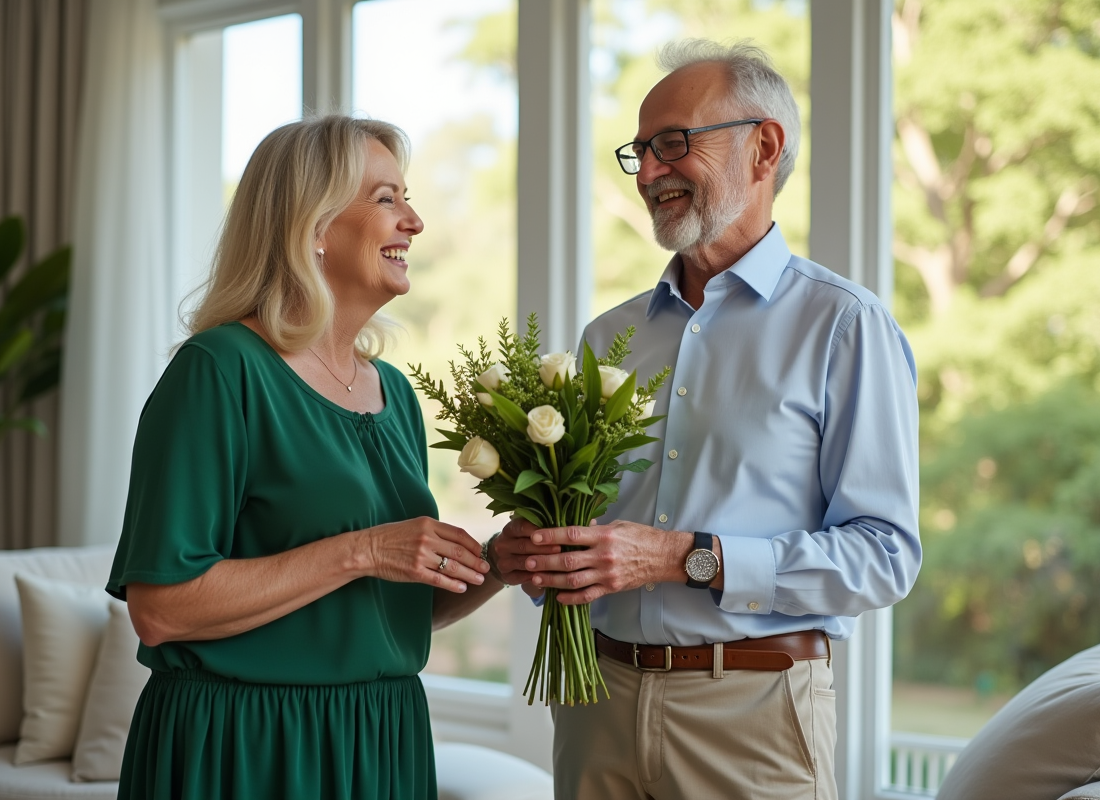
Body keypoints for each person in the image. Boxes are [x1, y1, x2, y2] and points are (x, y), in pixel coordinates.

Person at [489, 39, 922, 799]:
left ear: (764, 148)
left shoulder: (845, 327)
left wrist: (683, 558)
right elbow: (592, 529)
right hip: (595, 705)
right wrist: (540, 552)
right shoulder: (608, 337)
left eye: (672, 143)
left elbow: (883, 556)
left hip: (752, 716)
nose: (647, 173)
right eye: (640, 152)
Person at [107, 115, 506, 800]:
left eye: (407, 198)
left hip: (381, 739)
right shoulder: (220, 370)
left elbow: (390, 610)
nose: (414, 221)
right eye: (386, 199)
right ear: (313, 226)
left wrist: (498, 563)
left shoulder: (396, 394)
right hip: (244, 745)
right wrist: (364, 549)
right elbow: (162, 609)